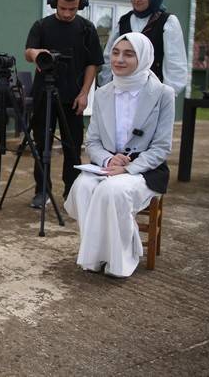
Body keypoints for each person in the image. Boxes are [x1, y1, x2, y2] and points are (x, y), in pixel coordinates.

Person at [64, 32, 174, 277]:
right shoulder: (103, 93)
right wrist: (107, 159)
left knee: (111, 190)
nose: (119, 59)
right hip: (108, 164)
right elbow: (92, 141)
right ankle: (97, 255)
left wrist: (126, 168)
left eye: (128, 54)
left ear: (144, 57)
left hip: (144, 169)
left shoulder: (163, 94)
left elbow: (161, 147)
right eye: (115, 53)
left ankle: (121, 260)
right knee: (82, 187)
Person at [25, 0, 104, 207]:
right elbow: (28, 51)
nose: (68, 13)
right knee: (42, 146)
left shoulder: (87, 29)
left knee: (72, 146)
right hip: (44, 95)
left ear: (80, 5)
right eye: (63, 8)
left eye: (73, 8)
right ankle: (42, 191)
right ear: (54, 4)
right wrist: (36, 53)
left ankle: (72, 191)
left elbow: (92, 64)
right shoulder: (41, 26)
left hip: (73, 97)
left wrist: (85, 93)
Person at [99, 0, 187, 95]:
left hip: (152, 93)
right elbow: (109, 56)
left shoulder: (167, 22)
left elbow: (175, 63)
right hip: (122, 91)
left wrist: (167, 94)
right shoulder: (124, 21)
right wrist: (106, 88)